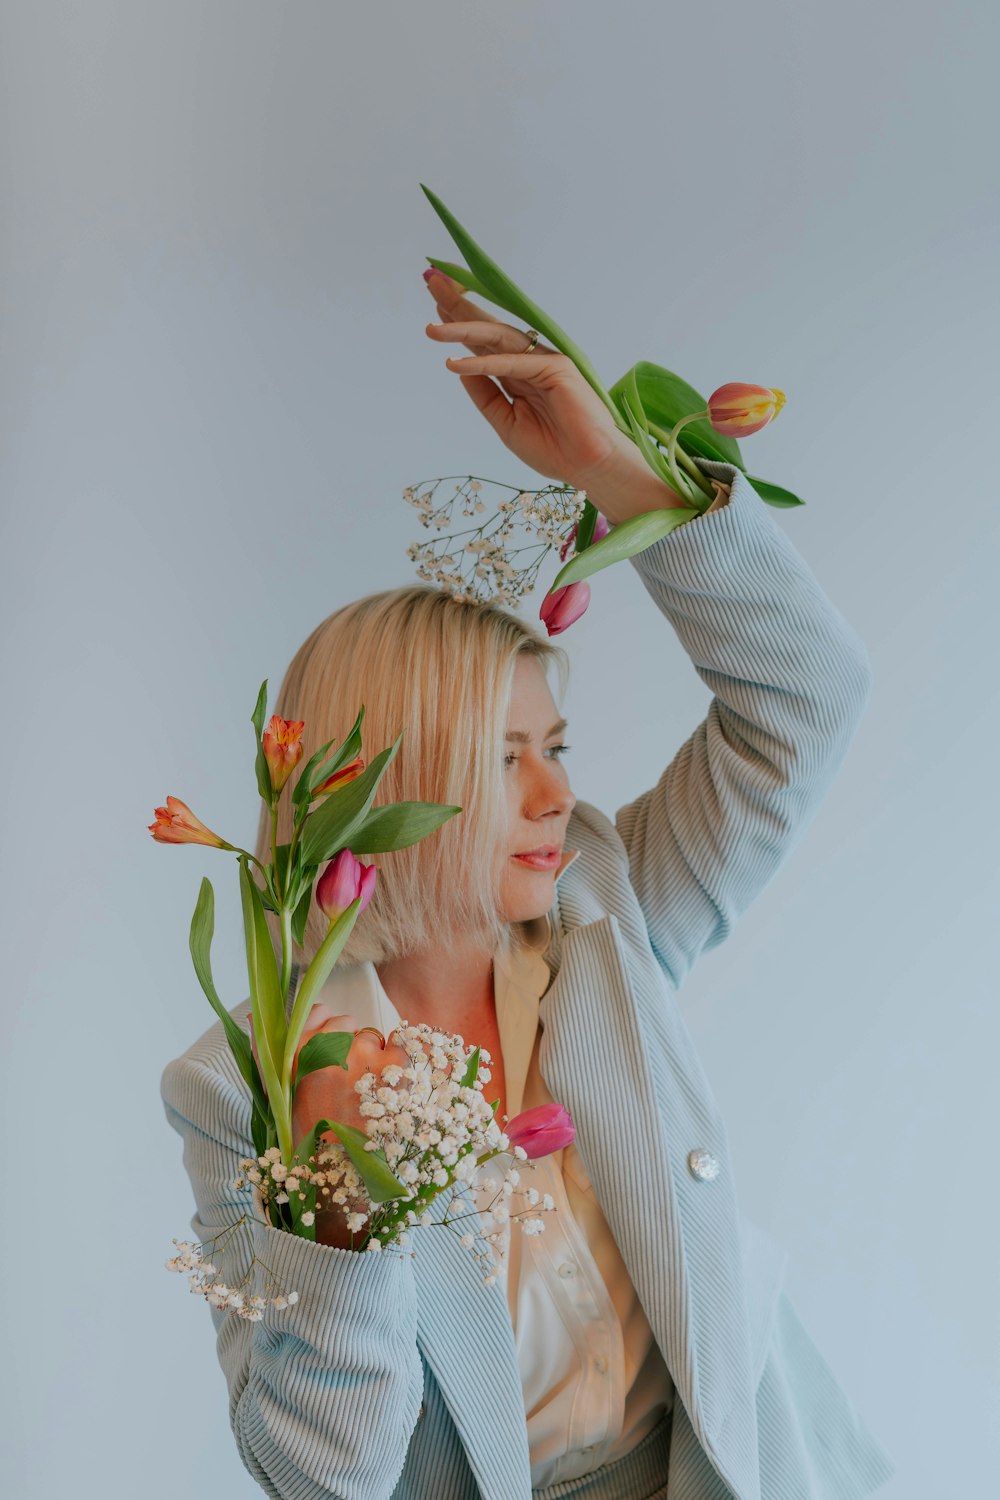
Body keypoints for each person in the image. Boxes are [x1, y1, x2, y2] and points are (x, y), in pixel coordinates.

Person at [161, 271, 897, 1500]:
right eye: (507, 760)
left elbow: (807, 695)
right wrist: (343, 1211)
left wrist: (623, 476)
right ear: (389, 784)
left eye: (557, 748)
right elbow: (323, 1478)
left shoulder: (609, 907)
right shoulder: (251, 1084)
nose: (557, 794)